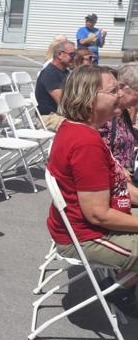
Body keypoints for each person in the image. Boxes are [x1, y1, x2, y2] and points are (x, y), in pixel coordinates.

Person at [47, 65, 138, 316]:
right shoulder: (86, 143)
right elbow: (98, 215)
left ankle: (121, 286)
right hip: (84, 236)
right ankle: (119, 289)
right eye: (112, 91)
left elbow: (118, 188)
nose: (120, 95)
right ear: (89, 101)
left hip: (82, 227)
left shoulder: (79, 130)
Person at [98, 63, 138, 175]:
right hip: (113, 177)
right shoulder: (105, 116)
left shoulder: (123, 113)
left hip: (126, 173)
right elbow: (97, 153)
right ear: (122, 87)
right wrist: (117, 169)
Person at [35, 39, 76, 131]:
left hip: (61, 114)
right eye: (72, 54)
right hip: (48, 117)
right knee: (81, 127)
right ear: (60, 55)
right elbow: (63, 102)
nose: (75, 58)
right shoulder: (49, 73)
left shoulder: (65, 72)